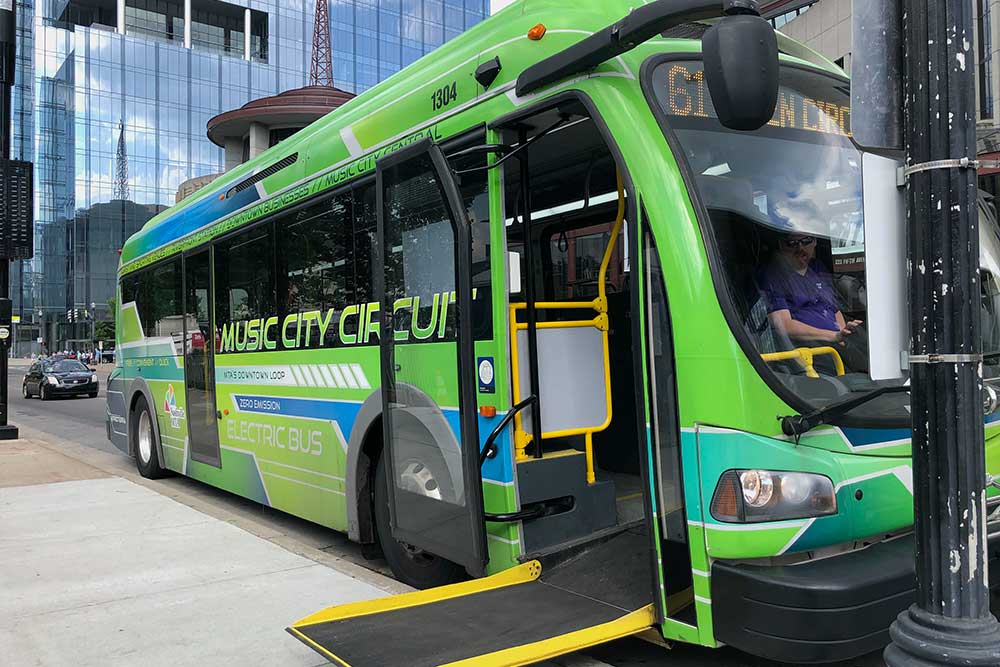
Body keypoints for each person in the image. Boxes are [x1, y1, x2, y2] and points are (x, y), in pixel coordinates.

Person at [757, 232, 866, 371]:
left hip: (837, 344)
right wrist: (833, 336)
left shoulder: (817, 267)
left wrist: (844, 334)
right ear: (781, 245)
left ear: (815, 242)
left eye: (806, 241)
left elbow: (834, 309)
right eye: (792, 243)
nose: (800, 248)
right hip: (810, 352)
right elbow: (783, 325)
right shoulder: (772, 274)